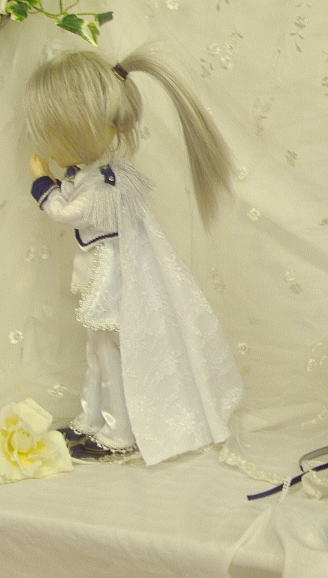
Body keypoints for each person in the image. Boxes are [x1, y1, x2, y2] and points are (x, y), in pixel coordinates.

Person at [23, 49, 243, 465]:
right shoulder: (94, 176)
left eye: (52, 134)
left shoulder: (106, 184)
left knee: (108, 356)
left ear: (80, 129)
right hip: (98, 276)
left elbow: (65, 212)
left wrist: (42, 183)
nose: (45, 146)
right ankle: (91, 418)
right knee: (97, 353)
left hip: (109, 283)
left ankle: (119, 430)